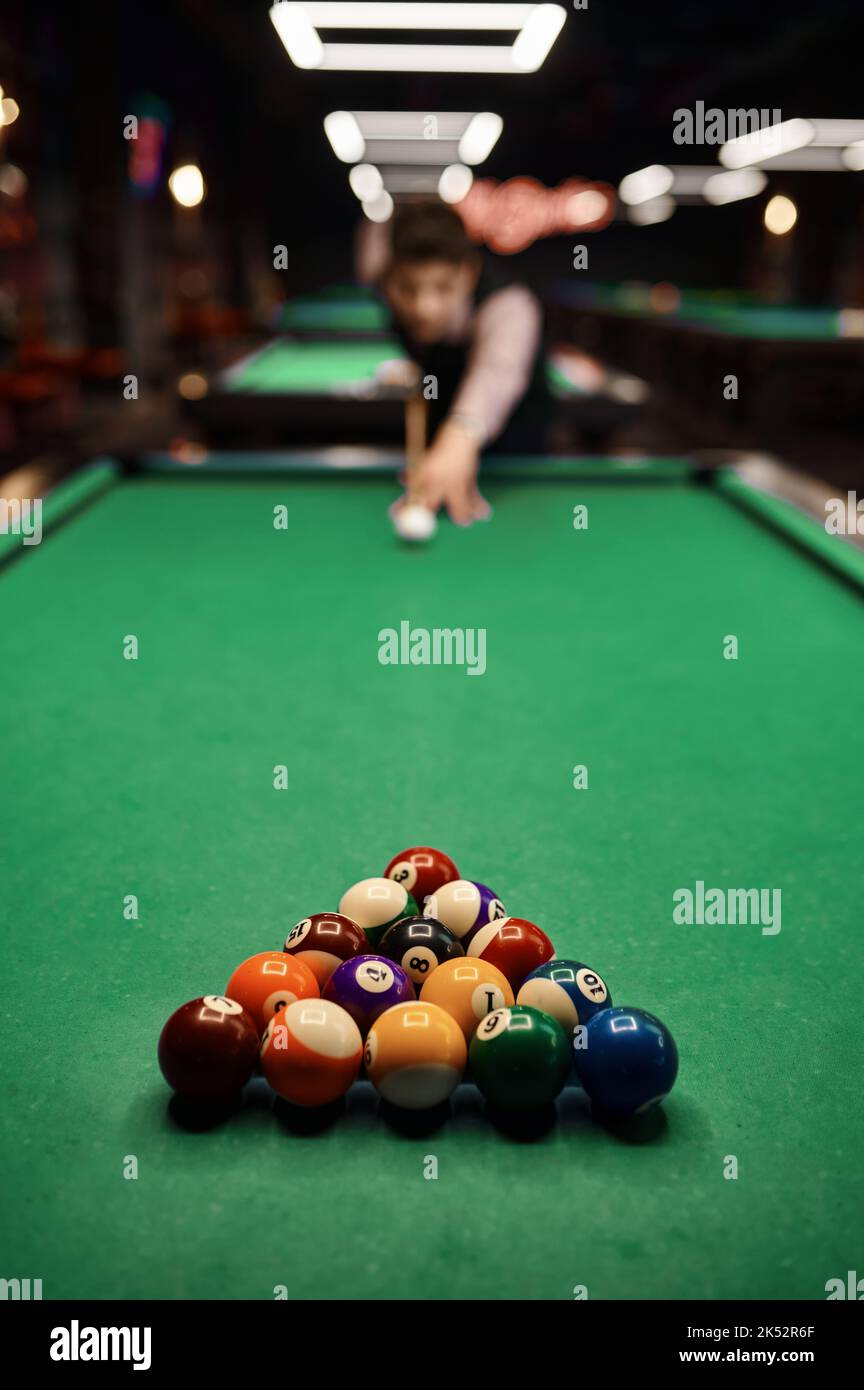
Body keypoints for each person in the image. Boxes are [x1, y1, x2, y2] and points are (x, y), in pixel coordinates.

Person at [366, 201, 551, 527]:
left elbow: (497, 374)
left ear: (468, 274)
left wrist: (461, 436)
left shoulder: (510, 304)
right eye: (408, 288)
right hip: (440, 434)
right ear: (390, 277)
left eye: (443, 287)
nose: (425, 308)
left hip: (518, 455)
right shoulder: (384, 288)